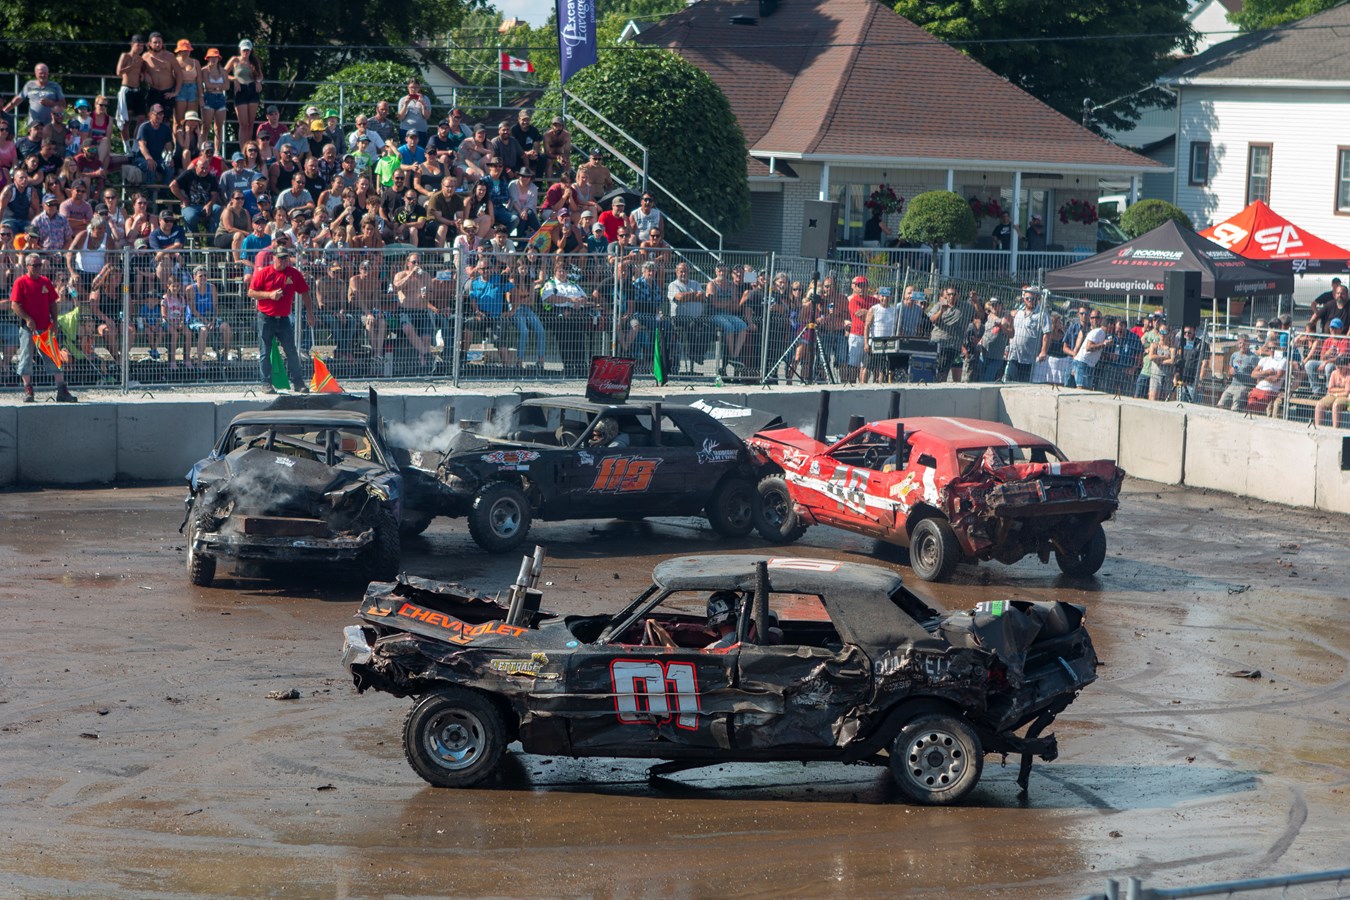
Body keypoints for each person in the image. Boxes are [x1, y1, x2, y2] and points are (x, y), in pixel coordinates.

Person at [11, 253, 78, 402]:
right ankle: (28, 389)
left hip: (46, 328)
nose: (38, 268)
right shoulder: (20, 282)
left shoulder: (45, 281)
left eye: (39, 265)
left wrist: (54, 321)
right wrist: (28, 319)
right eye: (35, 265)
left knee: (54, 357)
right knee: (26, 357)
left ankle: (62, 390)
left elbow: (52, 302)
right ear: (27, 266)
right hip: (29, 328)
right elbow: (15, 304)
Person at [247, 244, 312, 393]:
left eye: (286, 258)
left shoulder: (293, 274)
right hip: (266, 318)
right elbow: (251, 292)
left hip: (283, 319)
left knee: (291, 351)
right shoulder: (264, 273)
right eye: (280, 258)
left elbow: (305, 293)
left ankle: (298, 382)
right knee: (265, 351)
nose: (283, 261)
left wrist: (310, 313)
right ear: (274, 258)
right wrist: (269, 295)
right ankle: (266, 383)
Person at [4, 64, 66, 141]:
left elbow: (63, 104)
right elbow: (18, 99)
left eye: (45, 73)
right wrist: (4, 111)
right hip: (33, 126)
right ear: (36, 73)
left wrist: (50, 103)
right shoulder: (29, 85)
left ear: (48, 73)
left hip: (49, 126)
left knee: (47, 149)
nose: (43, 75)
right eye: (41, 73)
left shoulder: (55, 86)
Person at [1005, 285, 1050, 382]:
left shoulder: (1042, 314)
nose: (1030, 300)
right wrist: (1008, 348)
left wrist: (1043, 351)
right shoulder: (1018, 313)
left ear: (1037, 298)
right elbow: (1013, 332)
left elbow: (1047, 334)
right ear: (1024, 299)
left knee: (1023, 386)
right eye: (1027, 298)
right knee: (1009, 383)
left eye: (1032, 298)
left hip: (1029, 359)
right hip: (1013, 356)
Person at [928, 285, 972, 382]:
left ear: (958, 295)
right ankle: (937, 384)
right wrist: (941, 311)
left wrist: (975, 301)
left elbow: (979, 315)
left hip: (952, 345)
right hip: (938, 341)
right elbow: (932, 320)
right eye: (949, 294)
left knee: (944, 368)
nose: (951, 296)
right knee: (936, 368)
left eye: (953, 294)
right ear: (946, 295)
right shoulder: (939, 305)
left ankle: (940, 385)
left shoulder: (965, 307)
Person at [225, 40, 263, 146]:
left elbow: (260, 75)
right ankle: (242, 148)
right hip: (240, 90)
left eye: (248, 50)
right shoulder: (235, 60)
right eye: (244, 50)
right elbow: (224, 73)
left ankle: (249, 146)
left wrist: (258, 81)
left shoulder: (254, 61)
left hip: (252, 89)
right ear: (240, 50)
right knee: (243, 124)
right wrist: (234, 79)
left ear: (251, 51)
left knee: (251, 123)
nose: (246, 52)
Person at [171, 155, 222, 233]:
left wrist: (209, 204)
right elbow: (172, 185)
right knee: (191, 217)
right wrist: (183, 199)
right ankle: (195, 237)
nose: (204, 171)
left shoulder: (211, 178)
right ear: (196, 167)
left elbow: (214, 195)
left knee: (217, 208)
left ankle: (211, 236)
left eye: (206, 168)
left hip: (206, 206)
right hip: (190, 206)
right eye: (202, 168)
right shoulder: (188, 174)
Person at [115, 36, 148, 143]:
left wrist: (143, 75)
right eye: (138, 45)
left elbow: (142, 72)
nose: (140, 48)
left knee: (142, 119)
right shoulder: (125, 56)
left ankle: (135, 144)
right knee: (126, 120)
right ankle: (126, 146)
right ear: (132, 44)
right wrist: (132, 66)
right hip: (127, 89)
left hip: (138, 90)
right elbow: (119, 72)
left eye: (142, 46)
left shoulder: (141, 59)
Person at [134, 104, 175, 186]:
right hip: (142, 158)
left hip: (159, 158)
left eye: (161, 114)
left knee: (170, 168)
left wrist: (169, 158)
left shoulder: (166, 129)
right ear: (150, 115)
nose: (159, 116)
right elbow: (142, 146)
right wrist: (149, 158)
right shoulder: (144, 127)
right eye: (157, 114)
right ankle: (150, 195)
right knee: (151, 166)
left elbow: (168, 146)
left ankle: (164, 194)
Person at [1216, 334, 1259, 411]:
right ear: (1237, 344)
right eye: (1240, 343)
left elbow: (1257, 374)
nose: (1242, 345)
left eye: (1244, 343)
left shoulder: (1253, 358)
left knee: (1235, 408)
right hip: (1233, 385)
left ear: (1248, 344)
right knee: (1220, 404)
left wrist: (1253, 389)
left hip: (1244, 386)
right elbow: (1229, 372)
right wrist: (1231, 372)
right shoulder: (1234, 355)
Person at [1070, 308, 1109, 390]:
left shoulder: (1100, 333)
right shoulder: (1098, 332)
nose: (1094, 320)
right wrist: (1104, 344)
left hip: (1089, 365)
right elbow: (1088, 347)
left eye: (1097, 318)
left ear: (1101, 320)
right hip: (1083, 363)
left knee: (1086, 390)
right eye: (1092, 318)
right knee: (1081, 389)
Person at [172, 40, 200, 147]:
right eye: (183, 50)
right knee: (178, 121)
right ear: (179, 51)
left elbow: (199, 80)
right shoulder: (174, 61)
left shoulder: (195, 62)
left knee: (192, 120)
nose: (185, 52)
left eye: (187, 50)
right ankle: (176, 146)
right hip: (180, 88)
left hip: (192, 89)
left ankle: (192, 145)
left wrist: (201, 96)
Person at [1314, 356, 1350, 427]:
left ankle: (1335, 429)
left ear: (1347, 366)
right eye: (1337, 367)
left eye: (1341, 367)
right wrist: (1342, 390)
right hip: (1334, 395)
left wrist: (1336, 391)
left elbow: (1347, 393)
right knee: (1319, 404)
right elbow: (1330, 389)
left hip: (1346, 397)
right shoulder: (1334, 373)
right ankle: (1318, 428)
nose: (1339, 369)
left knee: (1336, 405)